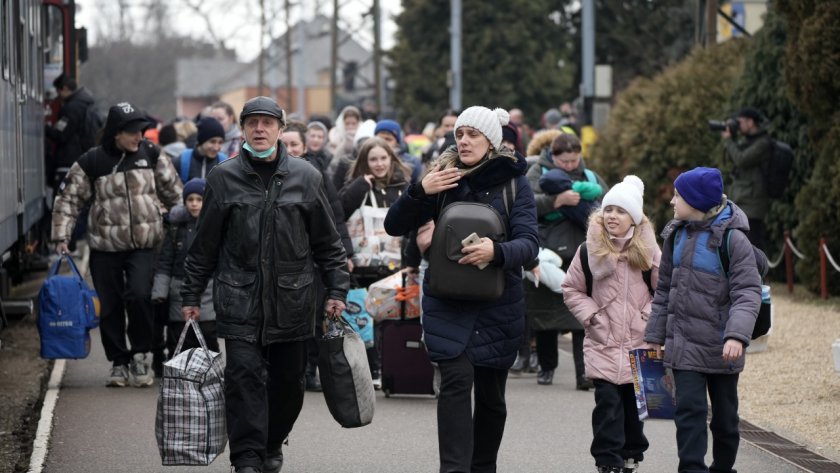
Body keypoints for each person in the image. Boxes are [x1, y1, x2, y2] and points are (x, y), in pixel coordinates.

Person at [180, 96, 350, 473]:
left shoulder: (307, 177)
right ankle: (247, 458)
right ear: (242, 129)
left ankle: (272, 442)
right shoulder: (223, 178)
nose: (259, 129)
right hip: (239, 299)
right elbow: (204, 244)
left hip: (292, 302)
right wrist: (191, 293)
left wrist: (337, 290)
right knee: (242, 379)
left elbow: (328, 242)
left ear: (280, 129)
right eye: (252, 123)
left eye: (267, 123)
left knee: (289, 385)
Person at [384, 106, 539, 472]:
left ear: (491, 140)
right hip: (448, 300)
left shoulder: (515, 181)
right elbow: (394, 225)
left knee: (490, 397)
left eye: (473, 134)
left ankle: (483, 466)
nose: (464, 140)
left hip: (498, 302)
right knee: (455, 383)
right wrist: (418, 191)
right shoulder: (441, 177)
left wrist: (496, 251)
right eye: (459, 134)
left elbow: (530, 244)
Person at [51, 101, 183, 387]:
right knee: (109, 305)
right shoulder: (93, 161)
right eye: (133, 132)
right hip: (105, 246)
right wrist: (62, 236)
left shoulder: (151, 154)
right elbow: (68, 200)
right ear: (116, 133)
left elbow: (175, 194)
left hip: (144, 244)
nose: (140, 137)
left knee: (138, 296)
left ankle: (141, 355)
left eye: (142, 131)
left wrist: (185, 227)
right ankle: (118, 361)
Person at [645, 167, 764, 473]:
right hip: (684, 347)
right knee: (689, 413)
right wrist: (654, 336)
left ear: (695, 201)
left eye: (677, 196)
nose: (672, 202)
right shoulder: (676, 234)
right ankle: (692, 468)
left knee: (725, 419)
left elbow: (747, 291)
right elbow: (664, 291)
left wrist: (736, 336)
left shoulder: (733, 240)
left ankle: (723, 467)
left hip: (724, 348)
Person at [562, 176, 661, 473]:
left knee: (634, 409)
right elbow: (571, 289)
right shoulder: (587, 250)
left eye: (620, 211)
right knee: (606, 407)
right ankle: (607, 460)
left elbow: (666, 292)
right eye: (608, 210)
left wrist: (647, 317)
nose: (612, 216)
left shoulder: (650, 251)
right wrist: (591, 316)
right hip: (601, 340)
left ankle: (632, 452)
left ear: (634, 217)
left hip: (639, 341)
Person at [525, 132, 607, 388]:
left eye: (574, 160)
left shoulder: (590, 176)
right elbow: (524, 204)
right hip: (547, 251)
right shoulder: (536, 173)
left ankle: (584, 373)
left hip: (581, 248)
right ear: (553, 156)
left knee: (583, 315)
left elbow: (606, 203)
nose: (570, 166)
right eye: (565, 162)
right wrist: (555, 201)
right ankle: (547, 366)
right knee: (547, 312)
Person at [339, 136, 412, 390]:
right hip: (362, 265)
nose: (379, 164)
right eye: (373, 159)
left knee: (390, 321)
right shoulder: (356, 186)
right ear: (364, 162)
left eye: (383, 158)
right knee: (365, 322)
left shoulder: (404, 187)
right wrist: (360, 185)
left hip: (395, 265)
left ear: (392, 160)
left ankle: (390, 369)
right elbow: (337, 214)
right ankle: (369, 370)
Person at [151, 178, 219, 355]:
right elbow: (165, 261)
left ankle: (211, 375)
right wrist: (160, 291)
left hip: (209, 288)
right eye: (190, 200)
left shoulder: (215, 226)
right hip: (178, 289)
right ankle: (181, 376)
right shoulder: (176, 229)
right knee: (180, 337)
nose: (194, 204)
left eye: (199, 199)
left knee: (208, 334)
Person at [723, 107, 773, 251]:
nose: (739, 125)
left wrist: (728, 141)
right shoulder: (747, 141)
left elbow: (741, 159)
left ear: (751, 122)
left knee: (753, 242)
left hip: (753, 203)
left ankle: (756, 272)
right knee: (742, 244)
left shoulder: (763, 143)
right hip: (744, 199)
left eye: (741, 122)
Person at [45, 73, 97, 189]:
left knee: (61, 200)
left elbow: (61, 135)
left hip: (68, 162)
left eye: (58, 92)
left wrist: (44, 128)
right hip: (80, 159)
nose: (58, 97)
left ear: (64, 88)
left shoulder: (72, 107)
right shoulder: (85, 103)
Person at [171, 116, 228, 183]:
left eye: (220, 142)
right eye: (212, 142)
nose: (216, 147)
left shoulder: (224, 163)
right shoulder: (180, 162)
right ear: (201, 141)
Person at [373, 119, 423, 184]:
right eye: (380, 139)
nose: (383, 142)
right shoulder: (367, 159)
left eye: (388, 139)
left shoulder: (412, 162)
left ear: (397, 143)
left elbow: (416, 188)